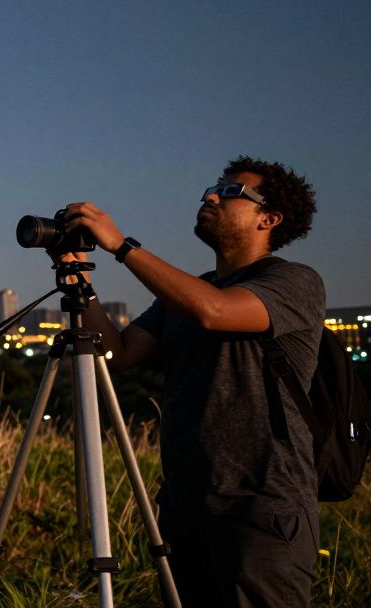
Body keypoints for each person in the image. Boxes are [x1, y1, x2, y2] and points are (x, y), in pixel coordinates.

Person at [57, 156, 323, 607]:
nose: (212, 195)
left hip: (261, 509)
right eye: (214, 186)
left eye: (233, 191)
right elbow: (118, 355)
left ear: (269, 219)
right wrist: (76, 277)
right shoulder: (186, 293)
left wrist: (121, 246)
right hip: (184, 502)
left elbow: (215, 311)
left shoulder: (293, 281)